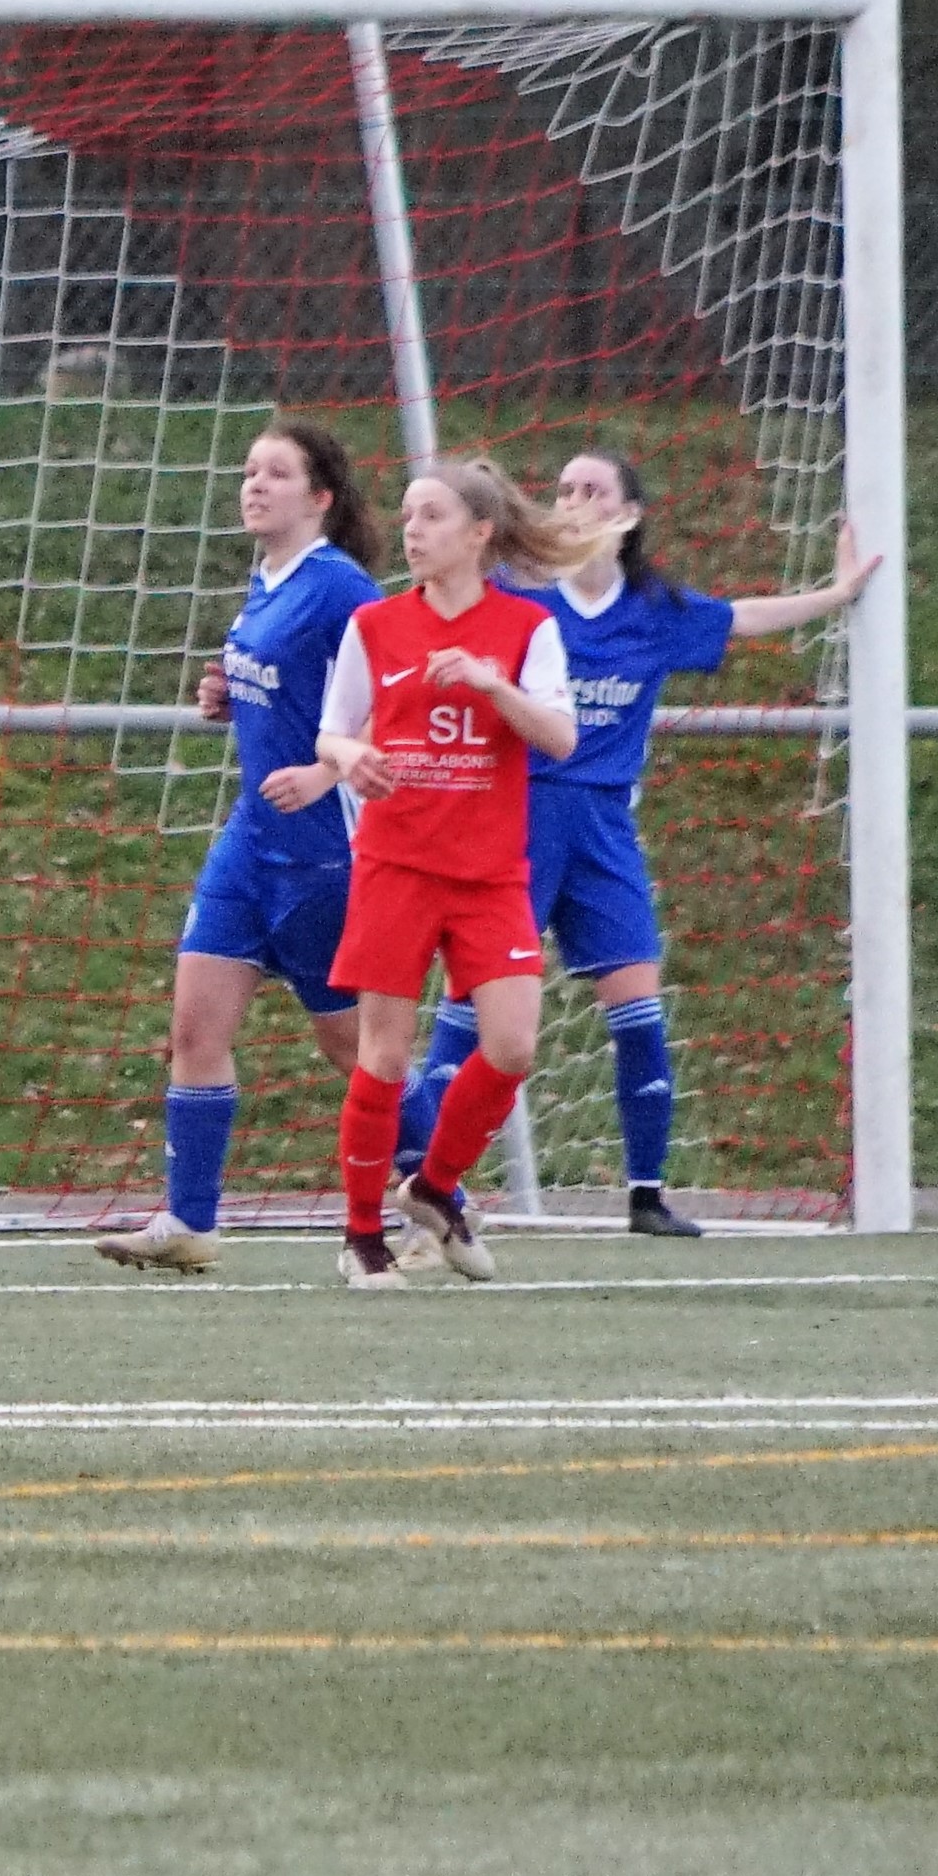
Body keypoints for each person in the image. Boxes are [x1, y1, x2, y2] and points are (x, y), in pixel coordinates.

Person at [393, 451, 879, 1237]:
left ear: (630, 513)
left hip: (604, 831)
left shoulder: (654, 609)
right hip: (518, 822)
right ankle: (426, 1176)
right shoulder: (518, 601)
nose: (575, 501)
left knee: (639, 1005)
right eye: (563, 489)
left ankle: (647, 1193)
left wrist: (839, 591)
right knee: (472, 1012)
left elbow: (744, 614)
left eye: (594, 489)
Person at [101, 420, 389, 1274]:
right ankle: (191, 1221)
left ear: (321, 497)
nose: (254, 484)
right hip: (249, 844)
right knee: (194, 1026)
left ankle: (435, 1185)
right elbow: (299, 686)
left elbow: (387, 706)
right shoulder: (266, 579)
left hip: (322, 853)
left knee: (353, 1049)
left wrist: (321, 769)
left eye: (277, 472)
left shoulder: (342, 588)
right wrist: (233, 691)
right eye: (249, 469)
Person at [301, 458, 593, 1290]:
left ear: (479, 532)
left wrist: (492, 683)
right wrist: (351, 754)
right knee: (385, 1056)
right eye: (407, 516)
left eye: (430, 516)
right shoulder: (377, 624)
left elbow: (561, 739)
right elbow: (332, 732)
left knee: (512, 1045)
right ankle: (362, 1235)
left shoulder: (526, 628)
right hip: (396, 865)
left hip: (489, 873)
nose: (412, 530)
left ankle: (432, 1187)